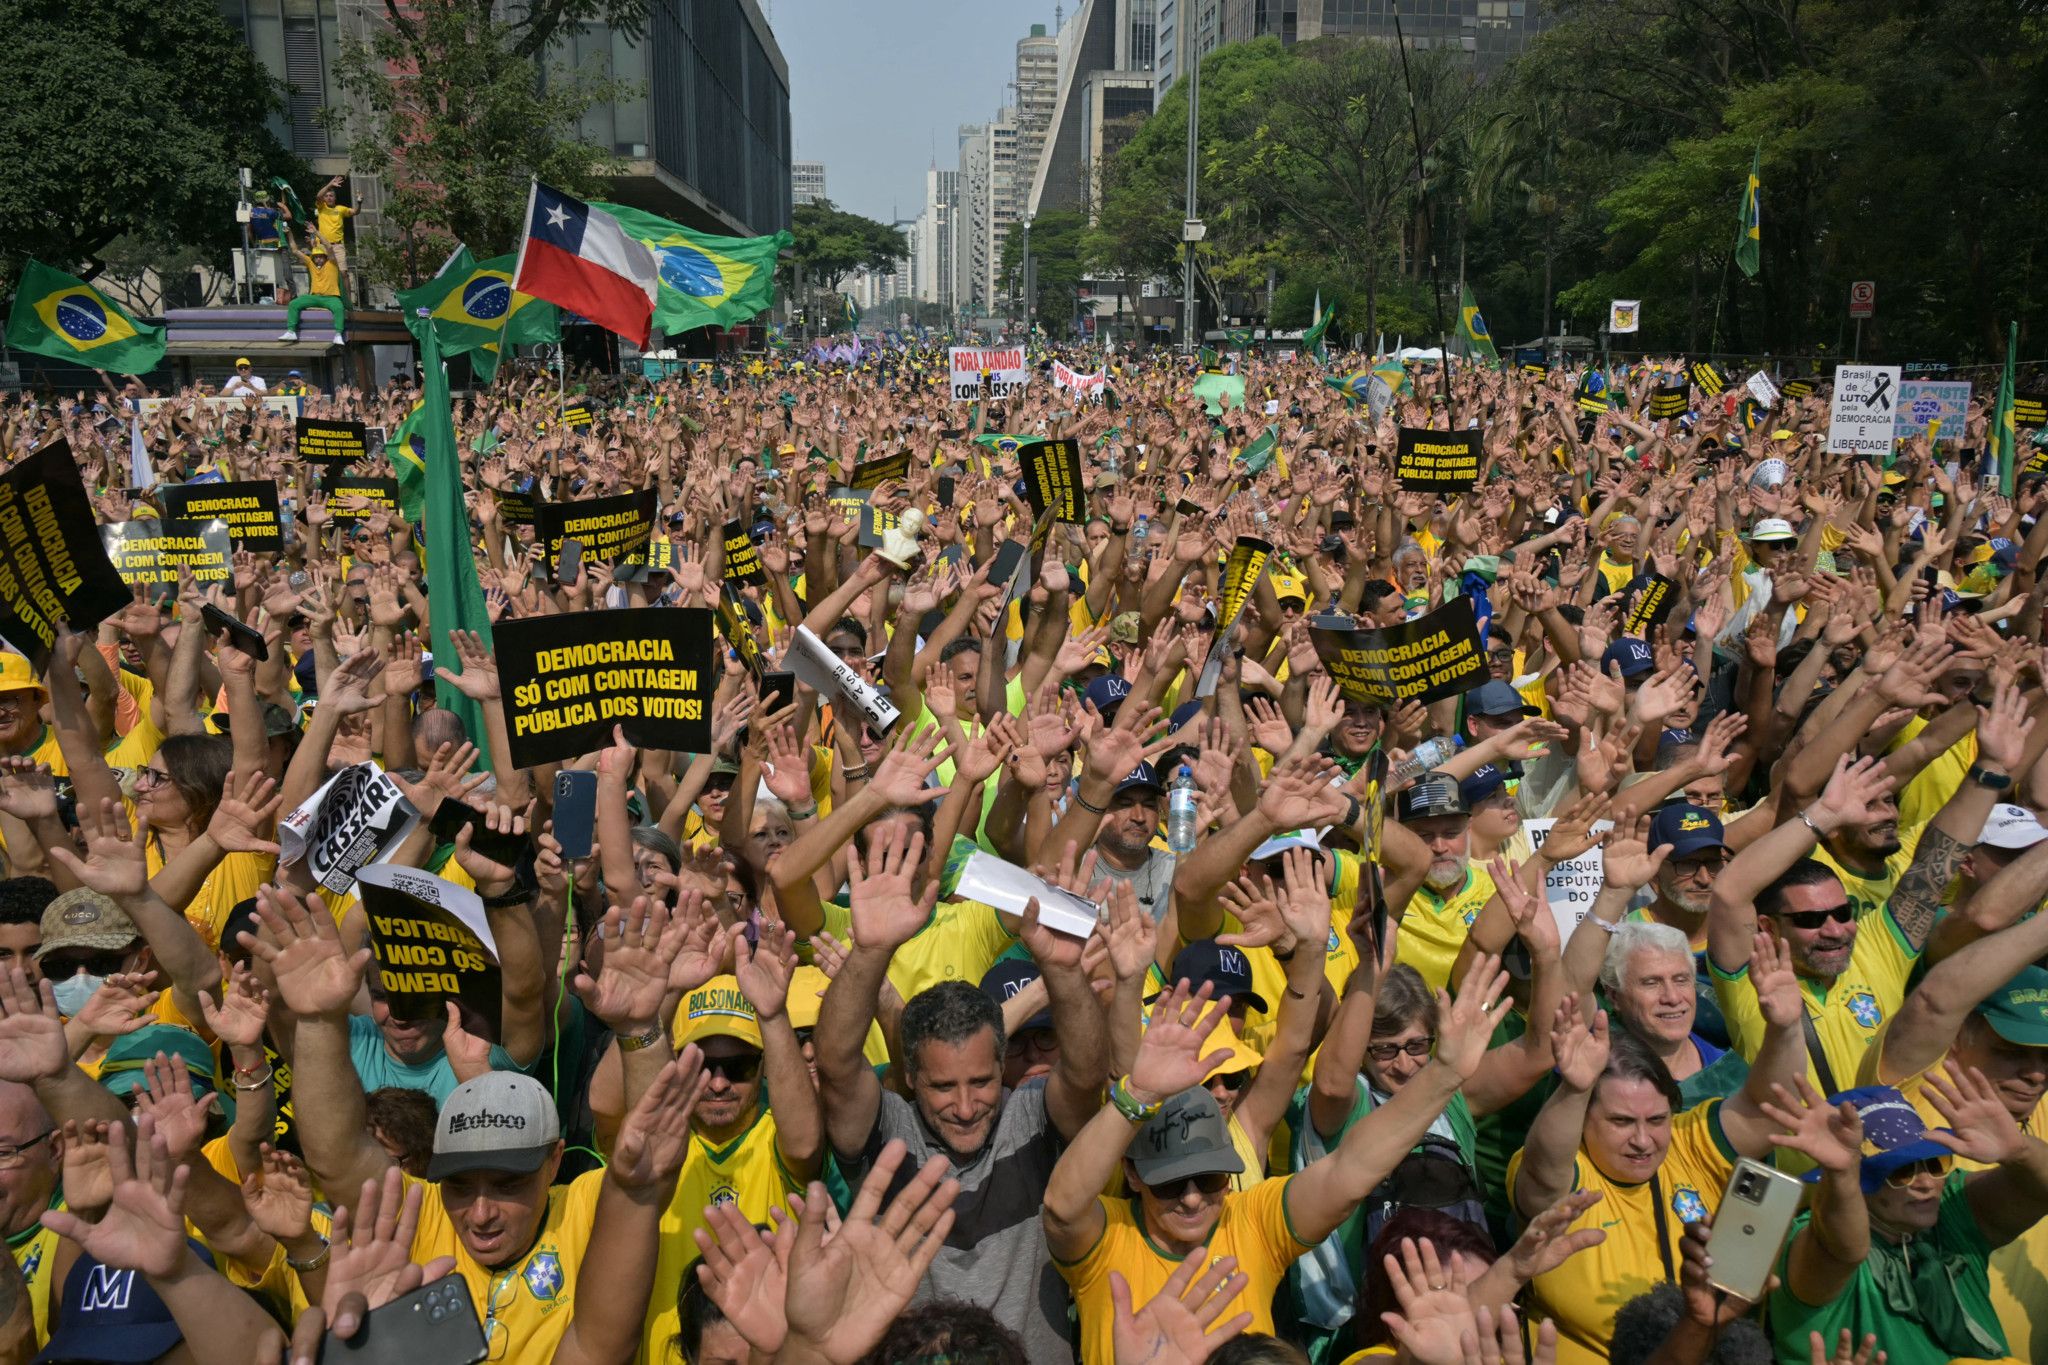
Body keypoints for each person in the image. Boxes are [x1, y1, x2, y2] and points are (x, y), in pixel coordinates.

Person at [1508, 927, 1811, 1364]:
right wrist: (1574, 1091)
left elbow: (1767, 1109)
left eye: (1656, 1119)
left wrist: (1783, 1028)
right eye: (1620, 1121)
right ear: (1585, 1118)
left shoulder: (1690, 1142)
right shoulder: (1567, 1176)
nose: (1642, 1139)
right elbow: (1544, 1165)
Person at [278, 234, 346, 346]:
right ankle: (291, 331)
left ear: (325, 257)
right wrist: (290, 234)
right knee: (294, 303)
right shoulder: (310, 263)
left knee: (339, 308)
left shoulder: (332, 263)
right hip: (314, 297)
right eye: (316, 257)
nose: (318, 259)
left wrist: (316, 232)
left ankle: (338, 335)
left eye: (320, 256)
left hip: (331, 298)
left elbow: (329, 247)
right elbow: (295, 250)